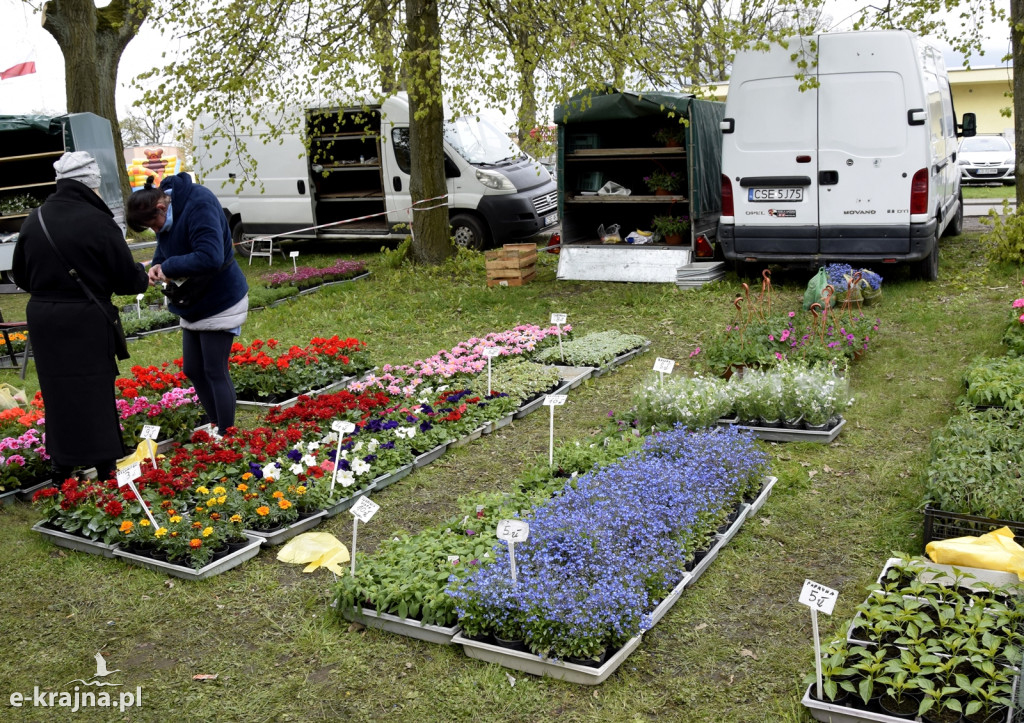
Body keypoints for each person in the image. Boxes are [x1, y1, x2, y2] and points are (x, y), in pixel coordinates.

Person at [11, 151, 150, 482]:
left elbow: (20, 276)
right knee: (94, 392)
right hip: (85, 319)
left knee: (57, 393)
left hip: (45, 318)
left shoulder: (36, 218)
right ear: (91, 183)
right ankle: (104, 468)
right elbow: (127, 281)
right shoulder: (98, 221)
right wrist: (142, 273)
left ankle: (62, 466)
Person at [126, 173, 248, 436]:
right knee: (193, 368)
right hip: (192, 299)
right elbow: (165, 243)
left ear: (161, 206)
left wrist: (168, 267)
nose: (156, 230)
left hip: (220, 297)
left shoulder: (199, 203)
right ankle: (216, 425)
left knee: (214, 368)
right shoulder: (165, 206)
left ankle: (227, 435)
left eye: (154, 224)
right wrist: (158, 264)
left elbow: (211, 256)